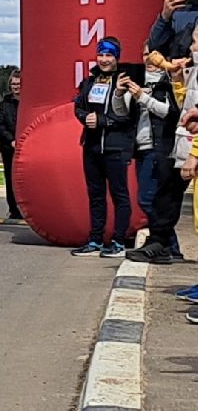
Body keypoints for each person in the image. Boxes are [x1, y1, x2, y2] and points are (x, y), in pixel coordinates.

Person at [129, 27, 198, 266]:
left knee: (159, 197)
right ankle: (161, 244)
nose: (190, 46)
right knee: (162, 197)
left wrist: (194, 153)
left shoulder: (165, 82)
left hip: (174, 145)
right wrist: (179, 80)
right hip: (169, 145)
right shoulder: (189, 71)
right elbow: (186, 104)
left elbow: (175, 113)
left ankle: (167, 246)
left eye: (196, 40)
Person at [70, 37, 136, 258]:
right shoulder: (90, 81)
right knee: (95, 195)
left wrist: (103, 121)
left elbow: (128, 115)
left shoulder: (124, 79)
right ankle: (95, 239)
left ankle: (118, 240)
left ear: (116, 57)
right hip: (91, 146)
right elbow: (78, 106)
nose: (104, 59)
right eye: (101, 55)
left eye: (109, 55)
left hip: (116, 146)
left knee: (119, 195)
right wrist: (85, 117)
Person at [128, 67, 176, 253]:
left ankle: (165, 243)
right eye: (146, 56)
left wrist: (144, 97)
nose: (151, 62)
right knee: (149, 198)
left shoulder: (168, 84)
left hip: (159, 147)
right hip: (140, 147)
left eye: (155, 58)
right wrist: (119, 93)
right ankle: (168, 245)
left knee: (148, 199)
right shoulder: (136, 81)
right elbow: (122, 111)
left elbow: (171, 113)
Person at [0, 71, 22, 220]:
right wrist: (11, 140)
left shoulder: (28, 102)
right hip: (9, 147)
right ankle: (14, 209)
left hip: (27, 146)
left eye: (18, 84)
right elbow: (0, 126)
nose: (15, 87)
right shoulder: (5, 104)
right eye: (13, 84)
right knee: (10, 179)